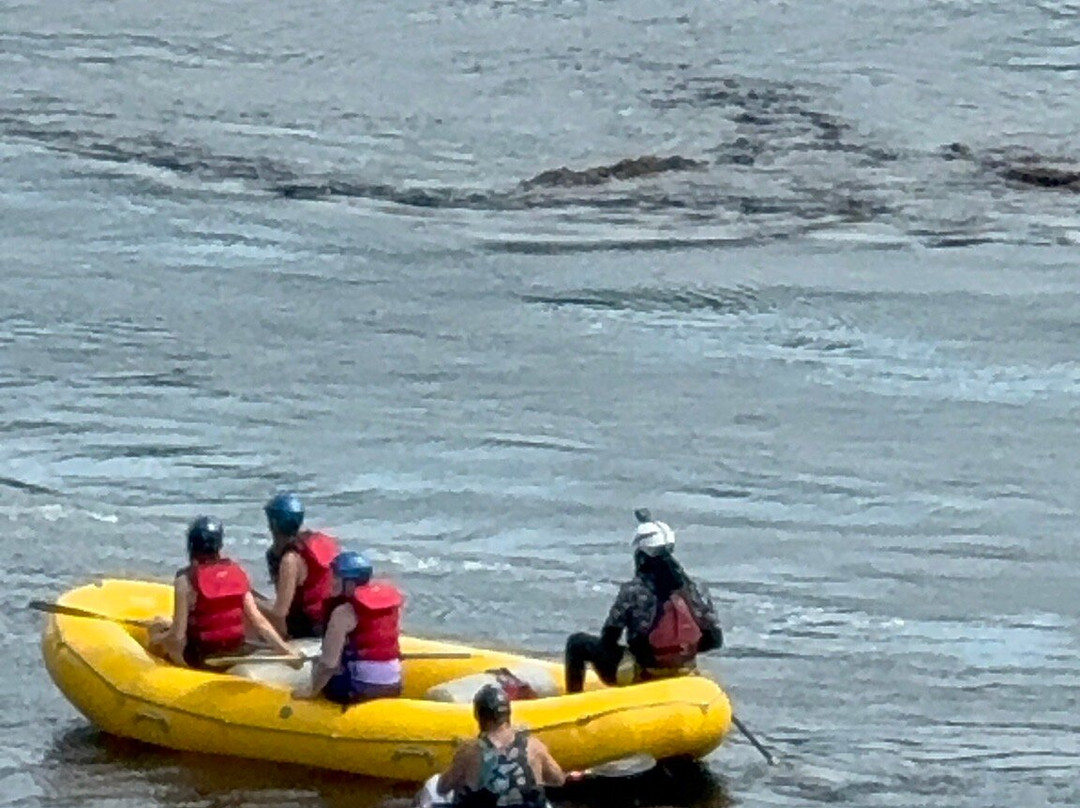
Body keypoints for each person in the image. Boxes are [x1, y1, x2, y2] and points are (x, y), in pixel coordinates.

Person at [564, 509, 723, 693]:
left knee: (576, 643)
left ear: (641, 554)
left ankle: (572, 699)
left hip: (643, 672)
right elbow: (714, 640)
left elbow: (609, 639)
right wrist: (680, 652)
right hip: (685, 669)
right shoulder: (696, 589)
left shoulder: (634, 590)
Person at [149, 516, 297, 669]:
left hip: (202, 657)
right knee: (164, 624)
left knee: (156, 630)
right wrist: (287, 653)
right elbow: (260, 622)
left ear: (191, 545)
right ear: (218, 545)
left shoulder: (185, 581)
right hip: (236, 652)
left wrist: (157, 639)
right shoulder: (237, 573)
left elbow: (178, 637)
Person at [291, 551, 404, 705]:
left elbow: (329, 664)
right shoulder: (388, 607)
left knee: (318, 663)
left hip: (361, 689)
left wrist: (311, 691)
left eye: (336, 577)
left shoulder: (343, 613)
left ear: (349, 583)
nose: (331, 581)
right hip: (394, 685)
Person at [435, 684, 566, 808]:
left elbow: (442, 788)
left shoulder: (469, 750)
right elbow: (558, 779)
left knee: (432, 784)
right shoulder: (534, 746)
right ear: (508, 714)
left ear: (478, 716)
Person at [258, 492, 341, 638]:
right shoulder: (313, 544)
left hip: (306, 630)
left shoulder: (290, 560)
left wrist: (247, 602)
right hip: (326, 622)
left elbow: (280, 613)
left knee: (243, 608)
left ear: (274, 524)